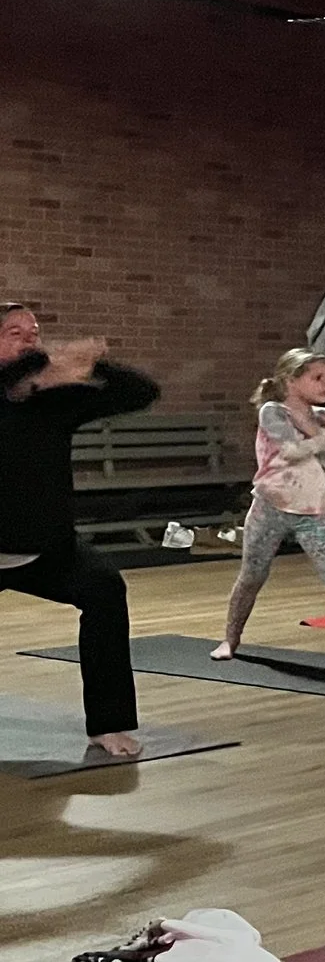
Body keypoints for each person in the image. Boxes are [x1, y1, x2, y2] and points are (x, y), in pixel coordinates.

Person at [0, 303, 157, 758]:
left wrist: (92, 364)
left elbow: (139, 392)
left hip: (46, 551)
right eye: (15, 333)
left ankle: (108, 724)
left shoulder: (55, 403)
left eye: (35, 333)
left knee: (105, 589)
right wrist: (44, 361)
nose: (30, 340)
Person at [214, 349, 325, 666]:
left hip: (312, 512)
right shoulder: (273, 411)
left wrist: (317, 433)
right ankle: (230, 639)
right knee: (252, 576)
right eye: (316, 378)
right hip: (271, 506)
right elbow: (290, 452)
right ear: (291, 380)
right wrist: (318, 438)